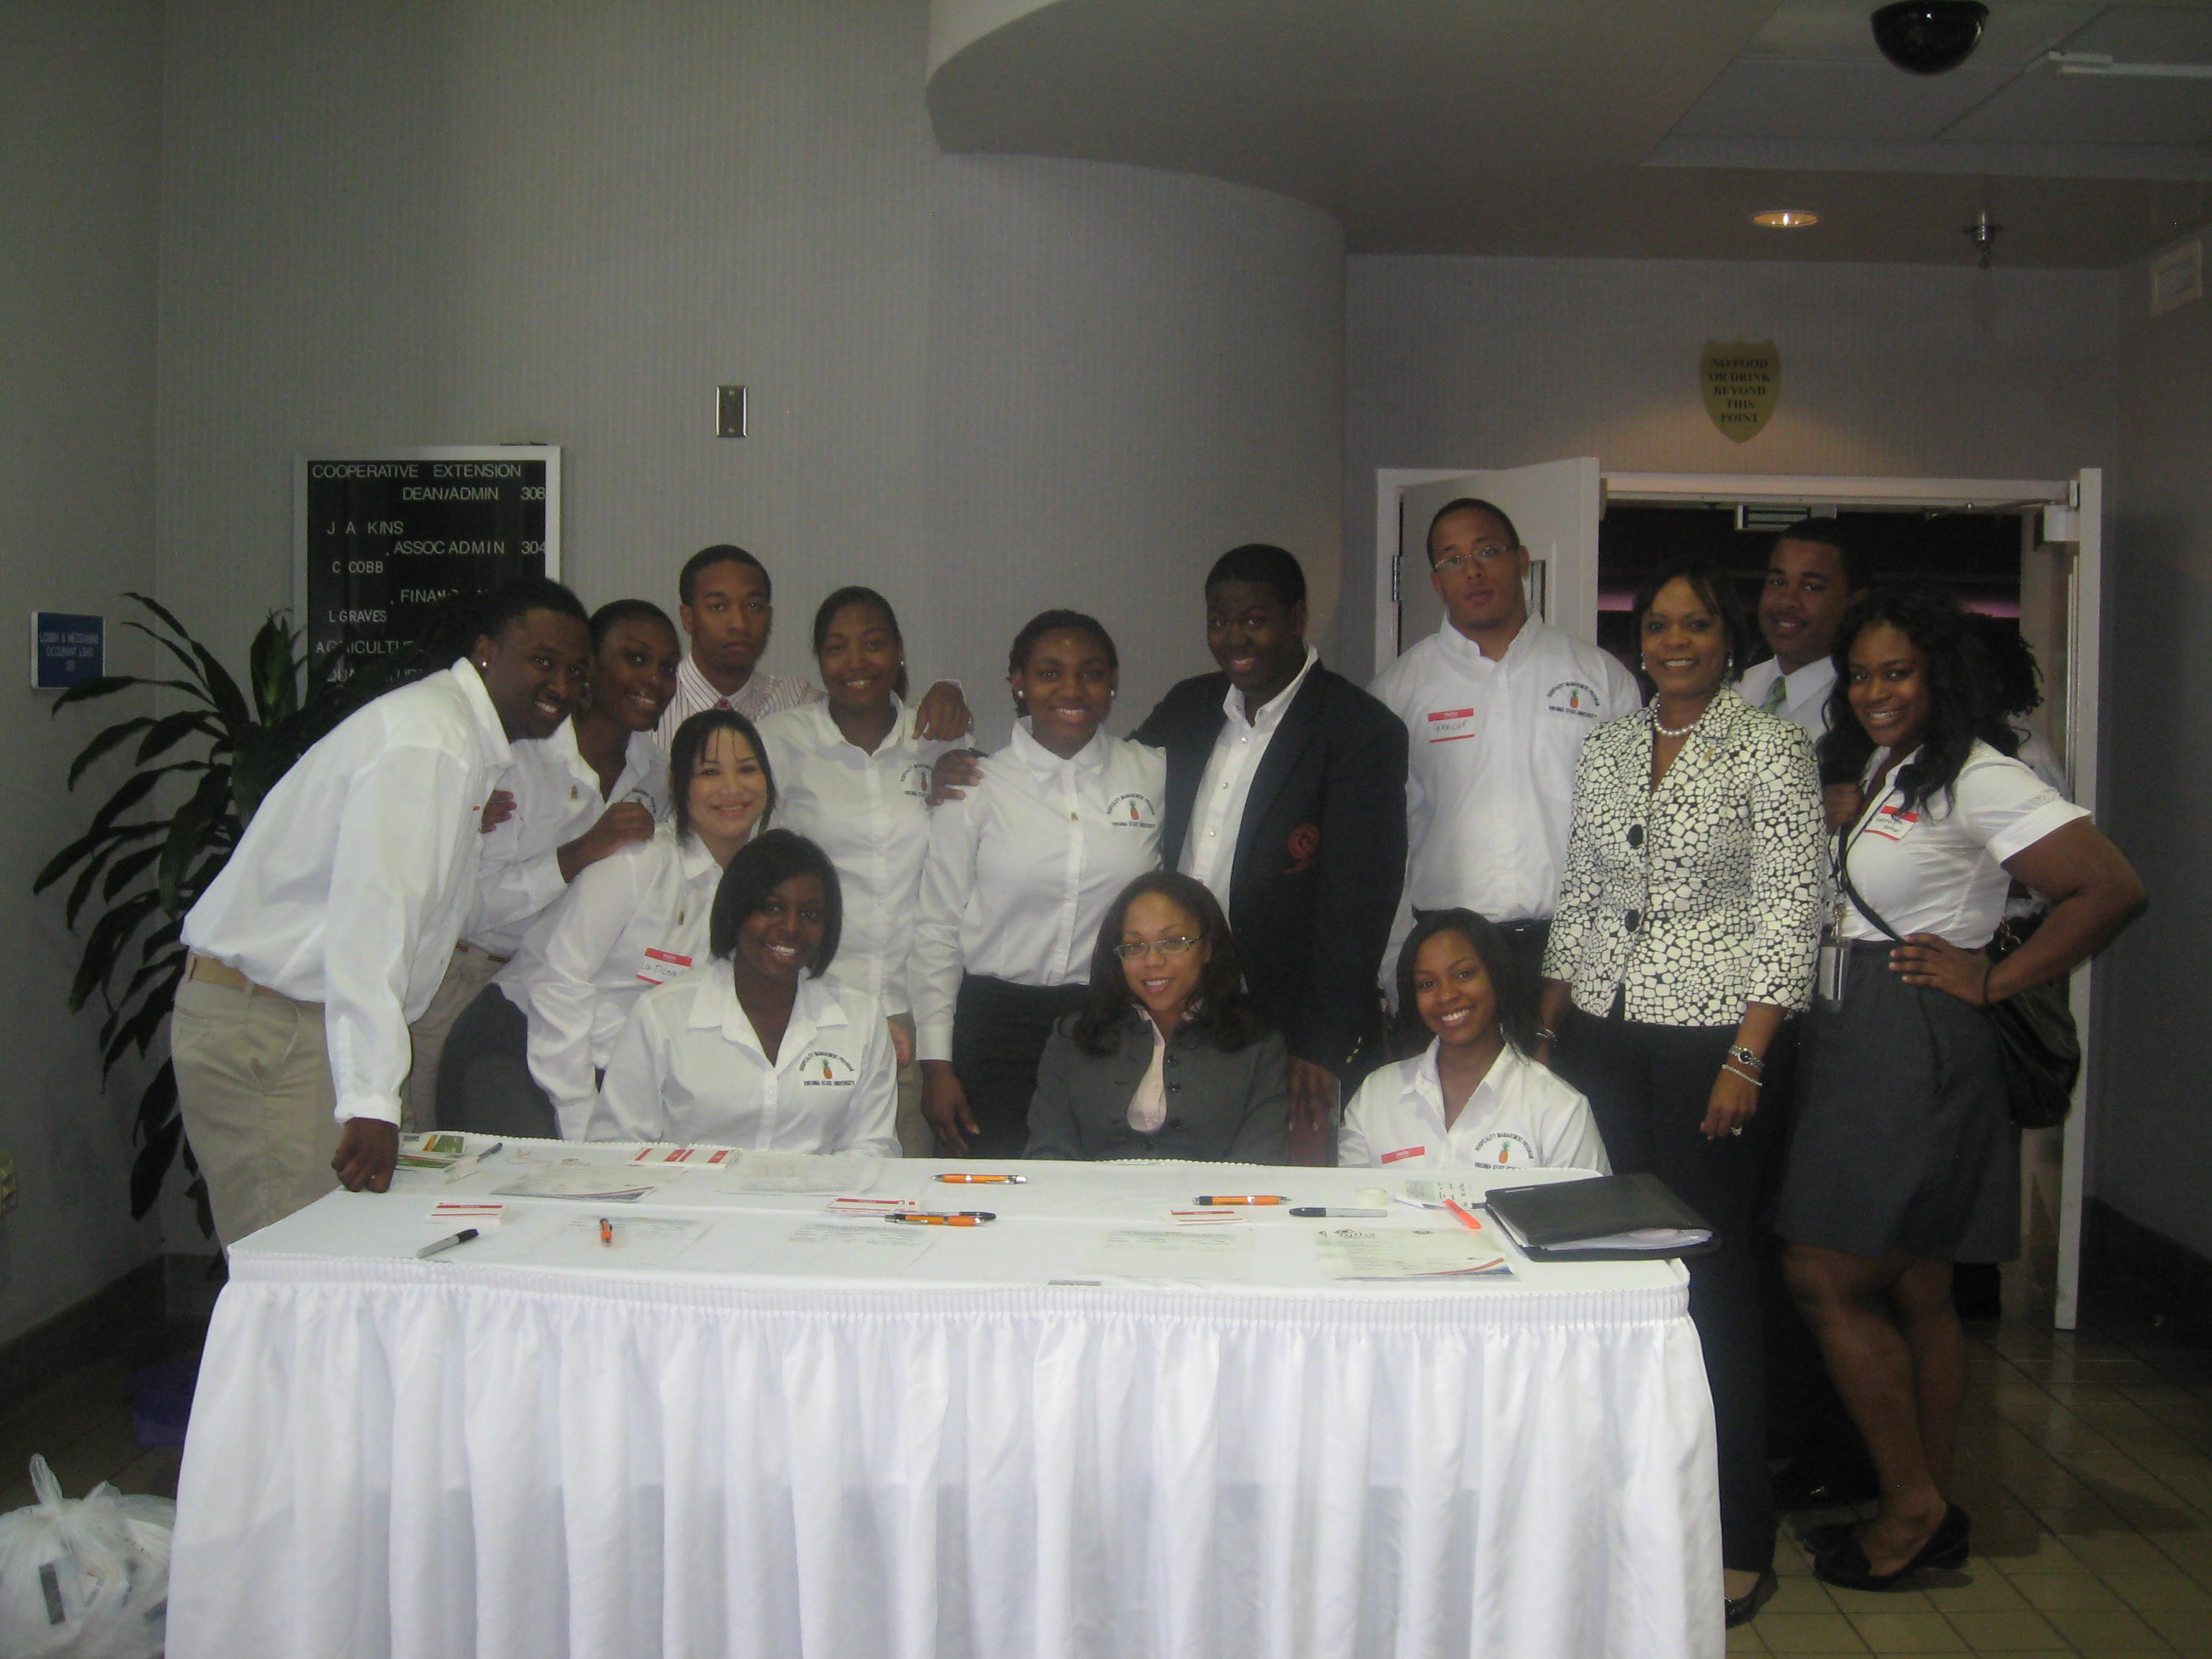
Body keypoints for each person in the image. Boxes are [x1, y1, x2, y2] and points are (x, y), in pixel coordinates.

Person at [1776, 586, 2144, 1592]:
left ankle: (1911, 1505)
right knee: (1919, 1286)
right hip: (1859, 1033)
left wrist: (1994, 978)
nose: (1875, 692)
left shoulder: (1981, 773)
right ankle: (1931, 1508)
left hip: (1915, 1040)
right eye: (1861, 675)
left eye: (1897, 673)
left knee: (1824, 1274)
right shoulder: (1888, 766)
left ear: (1939, 673)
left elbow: (2109, 887)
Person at [1539, 556, 1826, 1627]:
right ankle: (1628, 1506)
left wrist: (1749, 1057)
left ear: (1727, 637)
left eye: (1696, 624)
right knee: (1614, 1272)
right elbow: (1584, 890)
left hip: (1716, 1044)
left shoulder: (1771, 746)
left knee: (1712, 1280)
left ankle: (1737, 1531)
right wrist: (1549, 1027)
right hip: (1605, 1036)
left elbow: (1792, 908)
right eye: (1658, 625)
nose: (1674, 641)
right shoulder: (1611, 746)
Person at [174, 577, 592, 1245]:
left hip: (311, 1021)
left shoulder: (460, 741)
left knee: (356, 1261)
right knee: (301, 1268)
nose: (562, 687)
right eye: (544, 661)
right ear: (486, 650)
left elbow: (431, 914)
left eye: (576, 671)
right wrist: (371, 1102)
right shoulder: (431, 742)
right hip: (278, 1026)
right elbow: (372, 929)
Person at [1130, 544, 1408, 1159]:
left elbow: (1359, 905)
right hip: (1178, 1009)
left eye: (1254, 619)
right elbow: (1105, 784)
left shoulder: (1360, 730)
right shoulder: (1188, 707)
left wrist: (1320, 1044)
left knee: (1280, 1188)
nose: (1235, 638)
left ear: (1297, 617)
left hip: (1287, 1021)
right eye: (1219, 621)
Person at [401, 599, 678, 1128]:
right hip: (464, 975)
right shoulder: (518, 755)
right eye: (636, 659)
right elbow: (471, 907)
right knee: (430, 1152)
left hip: (566, 1000)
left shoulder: (656, 773)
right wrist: (581, 851)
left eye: (667, 668)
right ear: (590, 667)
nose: (654, 680)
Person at [438, 709, 773, 1138]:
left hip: (616, 1073)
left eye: (747, 769)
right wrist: (580, 1113)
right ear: (679, 785)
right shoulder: (639, 859)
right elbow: (558, 981)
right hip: (522, 1052)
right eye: (709, 772)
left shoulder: (755, 888)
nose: (732, 788)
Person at [913, 611, 1165, 1157]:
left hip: (1112, 1026)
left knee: (1101, 1192)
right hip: (994, 1026)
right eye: (1050, 673)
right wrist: (936, 1064)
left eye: (1091, 673)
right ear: (1018, 682)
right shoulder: (974, 785)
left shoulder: (1152, 773)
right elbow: (937, 930)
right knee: (989, 1188)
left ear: (1113, 682)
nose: (1071, 690)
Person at [1368, 498, 1640, 992]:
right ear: (1437, 582)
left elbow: (1632, 832)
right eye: (1453, 559)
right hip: (1447, 956)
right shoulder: (1397, 692)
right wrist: (1394, 969)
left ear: (1521, 560)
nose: (1472, 571)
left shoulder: (1600, 677)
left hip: (1576, 952)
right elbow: (1383, 847)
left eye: (1487, 551)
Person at [757, 588, 955, 1156]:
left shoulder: (936, 739)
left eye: (873, 644)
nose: (856, 662)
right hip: (808, 999)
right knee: (798, 1172)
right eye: (836, 648)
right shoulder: (780, 741)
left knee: (903, 1178)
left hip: (909, 1007)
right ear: (819, 659)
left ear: (899, 650)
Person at [590, 830, 899, 1154]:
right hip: (687, 1187)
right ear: (736, 911)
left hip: (818, 1188)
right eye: (772, 908)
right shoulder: (662, 1014)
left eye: (809, 914)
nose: (791, 928)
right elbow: (617, 1149)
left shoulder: (862, 1017)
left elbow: (871, 1146)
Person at [1025, 872, 1290, 1164]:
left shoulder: (1258, 1043)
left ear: (1208, 948)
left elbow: (1259, 1164)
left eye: (1173, 942)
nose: (1152, 961)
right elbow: (1048, 1152)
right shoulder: (1075, 1035)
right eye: (1134, 946)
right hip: (1087, 1193)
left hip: (1216, 1194)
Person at [1339, 909, 1608, 1173]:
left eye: (1464, 974)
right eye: (1427, 984)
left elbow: (1588, 1203)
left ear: (1496, 976)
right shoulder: (1376, 1094)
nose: (1446, 995)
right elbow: (1347, 1197)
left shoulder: (1560, 1108)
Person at [655, 543, 972, 742]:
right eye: (718, 607)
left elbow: (868, 707)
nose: (739, 623)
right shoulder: (652, 701)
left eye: (753, 606)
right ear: (688, 618)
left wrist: (947, 689)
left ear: (769, 616)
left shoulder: (793, 698)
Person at [1735, 518, 1872, 737]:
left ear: (1855, 603)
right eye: (1778, 582)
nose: (1787, 601)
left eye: (1811, 587)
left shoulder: (1866, 708)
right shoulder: (1734, 689)